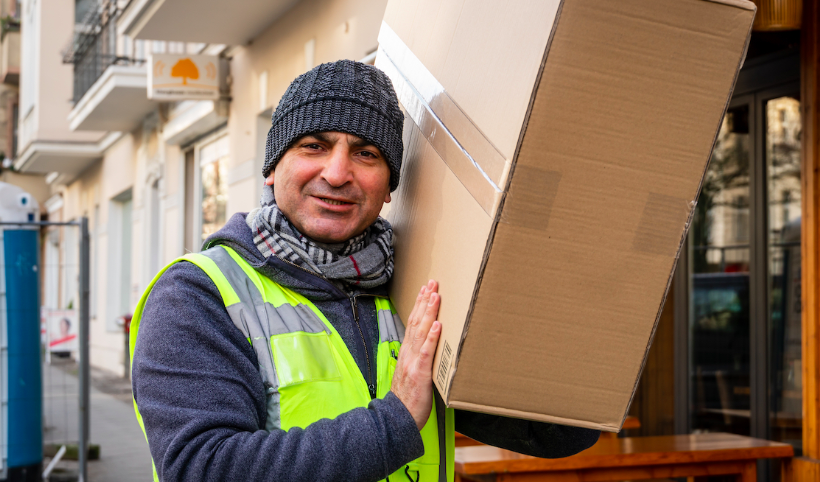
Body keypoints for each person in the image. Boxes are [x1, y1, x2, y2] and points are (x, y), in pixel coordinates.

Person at [130, 60, 600, 482]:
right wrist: (394, 420)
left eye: (365, 153)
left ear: (390, 186)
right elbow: (204, 468)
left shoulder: (417, 290)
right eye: (314, 145)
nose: (337, 173)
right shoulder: (198, 294)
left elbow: (557, 434)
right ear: (272, 168)